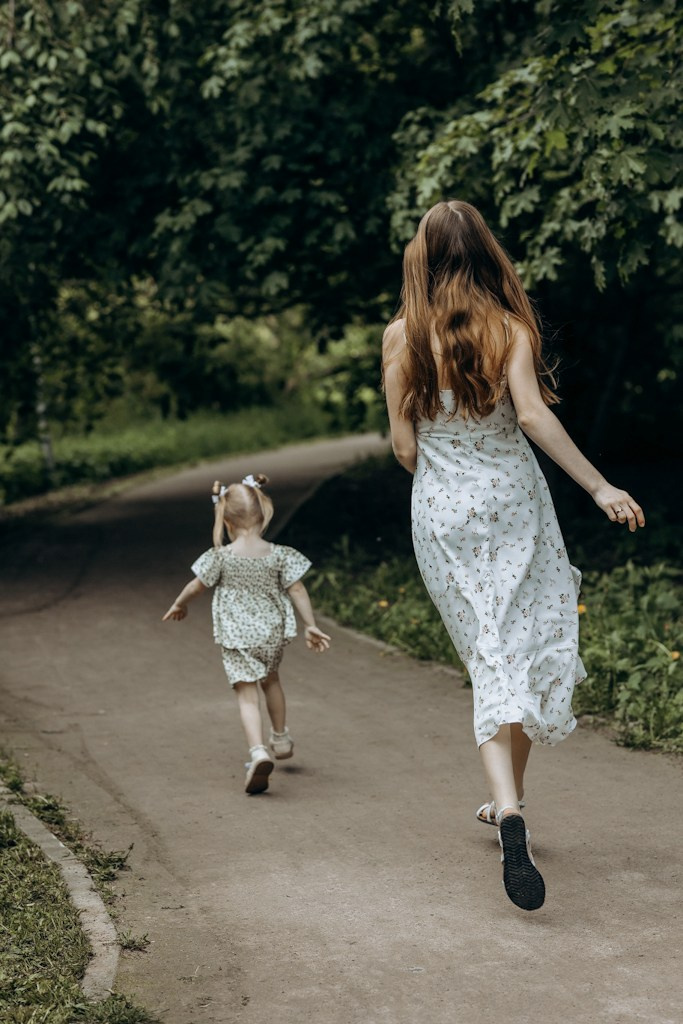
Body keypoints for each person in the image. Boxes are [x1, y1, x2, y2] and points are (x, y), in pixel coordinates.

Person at [382, 199, 644, 911]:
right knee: (524, 646)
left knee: (488, 655)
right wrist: (600, 486)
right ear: (485, 254)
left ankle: (508, 807)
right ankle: (510, 805)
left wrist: (443, 476)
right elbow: (530, 416)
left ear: (423, 258)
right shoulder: (508, 327)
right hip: (514, 506)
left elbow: (403, 447)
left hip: (442, 513)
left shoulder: (401, 336)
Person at [163, 473, 330, 794]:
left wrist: (179, 604)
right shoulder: (279, 554)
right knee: (272, 680)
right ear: (263, 514)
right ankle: (280, 738)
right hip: (272, 634)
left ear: (226, 520)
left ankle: (258, 753)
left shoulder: (220, 557)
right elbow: (296, 589)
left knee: (246, 694)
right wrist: (310, 624)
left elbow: (196, 586)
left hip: (237, 636)